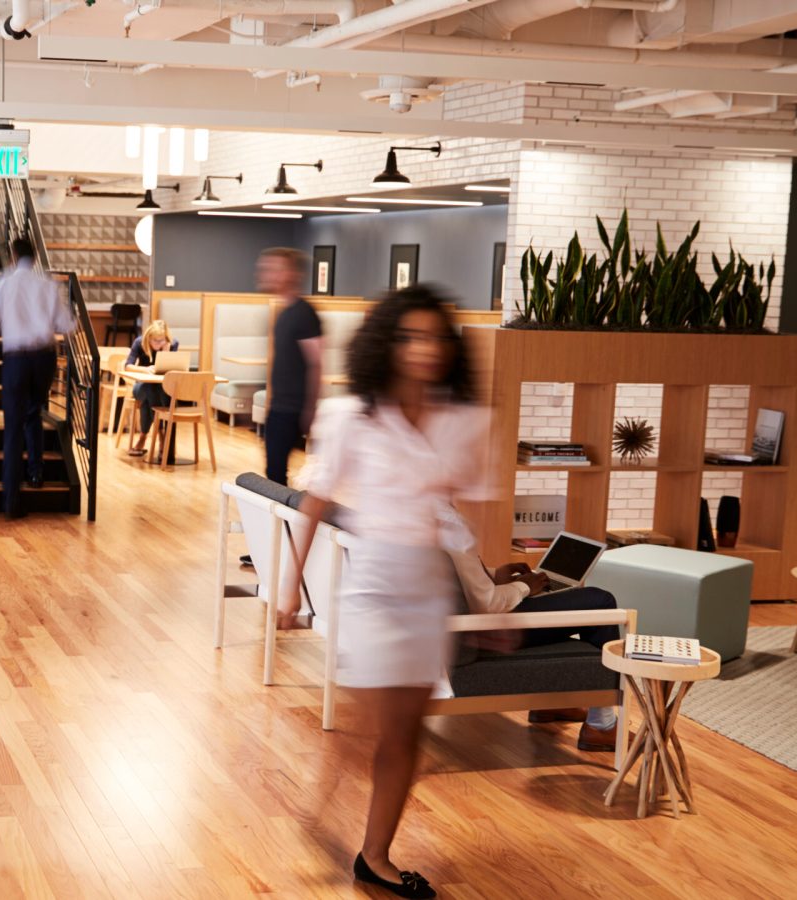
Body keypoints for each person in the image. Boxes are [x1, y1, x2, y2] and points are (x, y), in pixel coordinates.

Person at [285, 287, 493, 900]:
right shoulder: (352, 415)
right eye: (410, 337)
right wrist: (292, 585)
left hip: (428, 589)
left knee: (406, 737)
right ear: (387, 344)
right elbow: (316, 498)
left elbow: (464, 512)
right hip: (373, 588)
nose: (425, 349)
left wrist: (490, 601)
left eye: (435, 337)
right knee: (372, 729)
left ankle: (374, 856)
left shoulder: (460, 421)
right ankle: (329, 800)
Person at [448, 551, 621, 751]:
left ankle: (554, 701)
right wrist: (524, 587)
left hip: (472, 628)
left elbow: (465, 577)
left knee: (560, 597)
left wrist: (495, 575)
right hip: (489, 631)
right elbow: (489, 603)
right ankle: (602, 725)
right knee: (601, 601)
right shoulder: (454, 538)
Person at [0, 236, 73, 518]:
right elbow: (66, 324)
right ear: (35, 256)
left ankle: (11, 500)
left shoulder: (2, 283)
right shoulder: (48, 284)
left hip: (16, 358)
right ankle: (36, 473)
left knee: (13, 426)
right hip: (44, 357)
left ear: (13, 257)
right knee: (34, 412)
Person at [261, 247, 323, 487]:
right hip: (279, 406)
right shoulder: (284, 313)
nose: (267, 274)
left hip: (292, 409)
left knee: (276, 475)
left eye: (274, 269)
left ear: (292, 274)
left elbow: (316, 363)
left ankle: (285, 513)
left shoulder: (304, 314)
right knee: (274, 472)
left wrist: (310, 409)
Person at [124, 319, 179, 458]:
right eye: (155, 340)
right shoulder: (139, 342)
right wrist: (145, 369)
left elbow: (173, 368)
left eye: (161, 340)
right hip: (140, 387)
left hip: (162, 389)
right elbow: (128, 366)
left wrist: (166, 353)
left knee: (149, 400)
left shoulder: (172, 344)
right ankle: (161, 434)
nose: (158, 343)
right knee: (149, 387)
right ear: (149, 337)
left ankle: (143, 437)